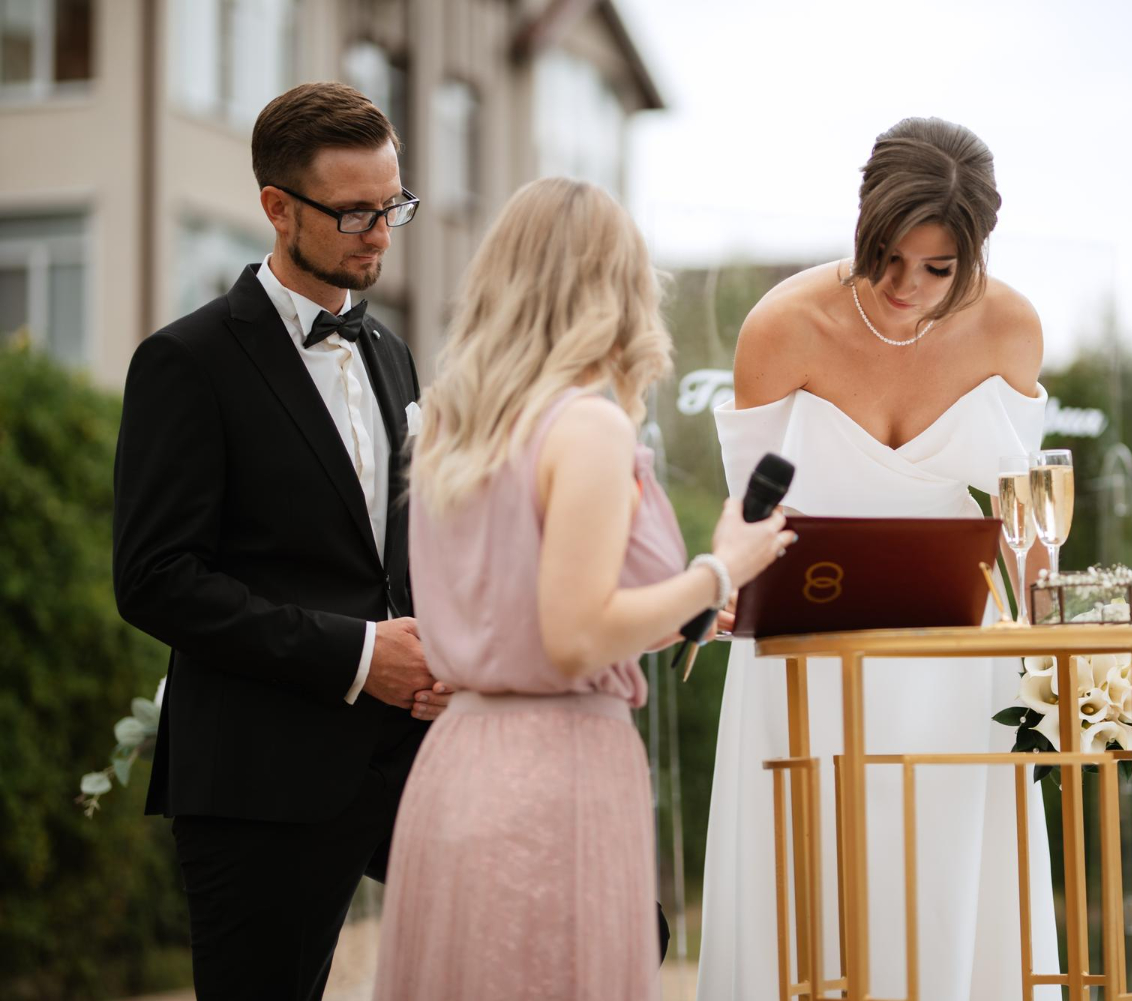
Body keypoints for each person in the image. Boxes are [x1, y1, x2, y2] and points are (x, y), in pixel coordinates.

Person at [371, 177, 794, 1001]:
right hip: (552, 780)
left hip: (456, 770)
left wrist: (681, 617)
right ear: (621, 289)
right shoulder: (587, 427)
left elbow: (528, 621)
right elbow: (570, 636)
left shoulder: (458, 427)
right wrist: (720, 570)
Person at [696, 117, 1062, 1000]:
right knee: (816, 897)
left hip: (956, 662)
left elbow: (1031, 513)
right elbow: (753, 502)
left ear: (977, 252)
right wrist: (718, 580)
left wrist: (1054, 633)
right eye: (891, 258)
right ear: (863, 223)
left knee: (948, 886)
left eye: (940, 269)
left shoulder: (1011, 326)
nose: (907, 288)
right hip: (807, 653)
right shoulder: (783, 325)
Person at [112, 82, 450, 1000]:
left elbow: (394, 548)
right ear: (276, 206)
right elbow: (155, 580)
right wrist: (359, 653)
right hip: (259, 779)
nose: (380, 232)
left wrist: (437, 646)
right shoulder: (186, 364)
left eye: (393, 206)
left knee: (579, 917)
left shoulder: (390, 354)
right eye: (354, 213)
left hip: (404, 750)